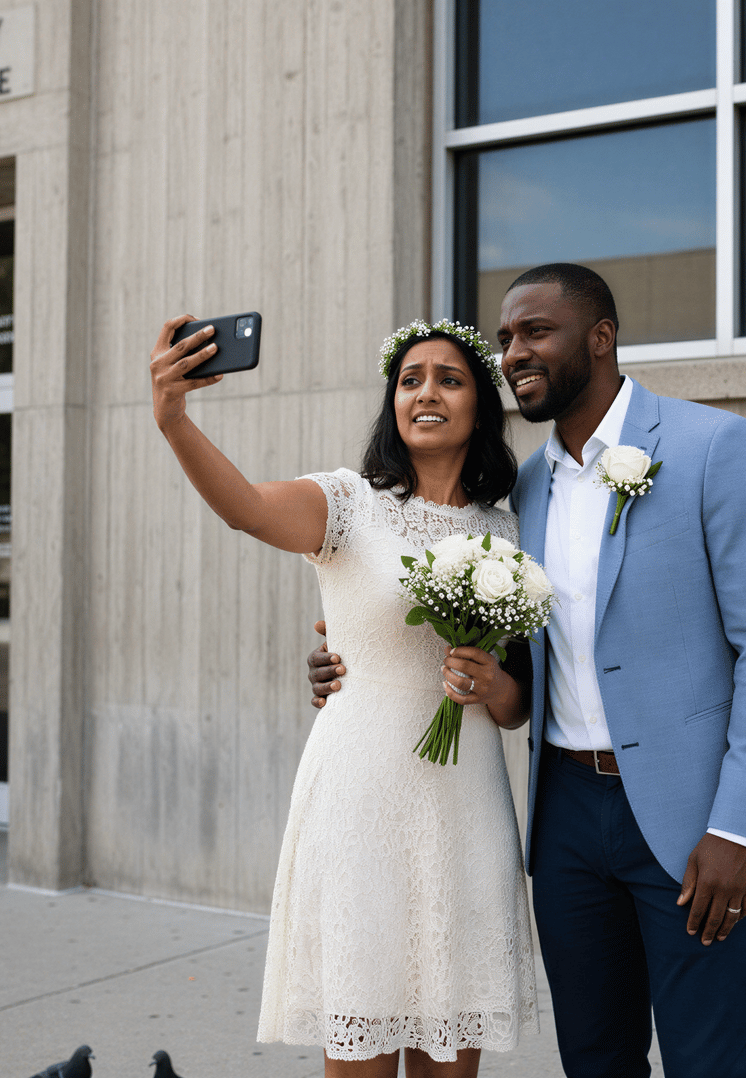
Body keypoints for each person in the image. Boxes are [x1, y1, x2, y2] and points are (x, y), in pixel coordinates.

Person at [311, 263, 746, 1078]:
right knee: (594, 1058)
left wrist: (739, 827)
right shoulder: (519, 494)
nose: (514, 353)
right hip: (566, 817)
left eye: (535, 332)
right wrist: (344, 660)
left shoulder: (712, 445)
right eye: (506, 337)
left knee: (707, 1060)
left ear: (601, 339)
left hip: (693, 821)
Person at [150, 314, 537, 1078]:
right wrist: (173, 419)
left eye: (449, 380)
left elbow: (518, 705)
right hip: (361, 799)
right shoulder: (347, 503)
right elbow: (244, 507)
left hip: (466, 807)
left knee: (449, 1055)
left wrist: (492, 684)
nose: (426, 393)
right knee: (360, 1044)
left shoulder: (508, 529)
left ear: (482, 408)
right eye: (409, 380)